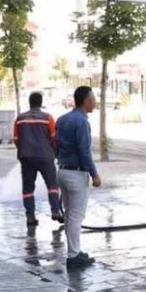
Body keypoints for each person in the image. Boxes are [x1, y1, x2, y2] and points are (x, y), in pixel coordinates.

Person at [56, 86, 101, 267]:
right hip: (76, 173)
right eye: (93, 98)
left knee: (69, 215)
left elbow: (55, 145)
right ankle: (73, 255)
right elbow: (84, 152)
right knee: (75, 216)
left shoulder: (62, 119)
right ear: (86, 101)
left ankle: (74, 251)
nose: (95, 102)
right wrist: (94, 174)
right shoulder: (82, 122)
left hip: (63, 170)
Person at [14, 92, 64, 228]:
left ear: (29, 102)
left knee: (28, 188)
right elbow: (55, 138)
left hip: (27, 157)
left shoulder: (20, 119)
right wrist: (55, 152)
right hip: (46, 156)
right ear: (41, 103)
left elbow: (16, 139)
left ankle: (30, 215)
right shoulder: (48, 118)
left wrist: (23, 150)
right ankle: (55, 211)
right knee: (52, 186)